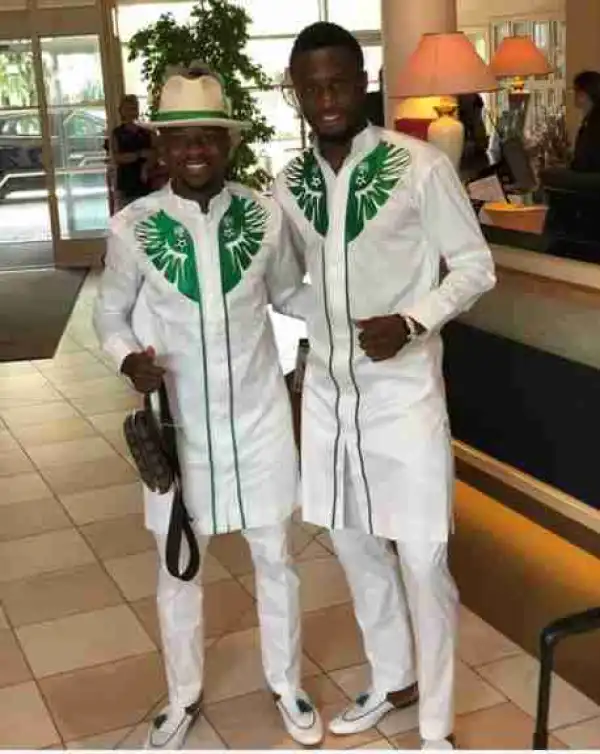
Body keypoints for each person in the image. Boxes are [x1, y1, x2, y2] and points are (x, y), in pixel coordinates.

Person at [273, 23, 496, 750]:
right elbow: (281, 279)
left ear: (363, 79)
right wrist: (327, 323)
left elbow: (473, 265)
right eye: (311, 87)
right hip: (332, 402)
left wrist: (411, 320)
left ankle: (435, 727)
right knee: (352, 543)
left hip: (405, 399)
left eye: (338, 81)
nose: (326, 98)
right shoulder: (291, 183)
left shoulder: (419, 166)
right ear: (296, 92)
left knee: (424, 559)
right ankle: (391, 676)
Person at [93, 64, 322, 750]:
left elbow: (289, 294)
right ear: (162, 149)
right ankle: (183, 695)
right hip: (178, 428)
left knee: (276, 558)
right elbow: (109, 314)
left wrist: (353, 308)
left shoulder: (264, 215)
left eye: (210, 138)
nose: (196, 150)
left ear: (230, 144)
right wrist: (127, 357)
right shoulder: (133, 226)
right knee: (176, 568)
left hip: (259, 420)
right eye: (182, 139)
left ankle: (285, 682)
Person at [109, 95, 156, 210]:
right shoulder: (117, 133)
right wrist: (138, 154)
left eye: (134, 108)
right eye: (128, 108)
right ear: (121, 111)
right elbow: (117, 157)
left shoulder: (147, 131)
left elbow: (155, 153)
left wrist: (146, 166)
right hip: (125, 183)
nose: (131, 112)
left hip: (147, 183)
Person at [571, 70, 600, 173]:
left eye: (575, 91)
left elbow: (584, 161)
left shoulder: (594, 122)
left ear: (583, 94)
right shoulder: (591, 118)